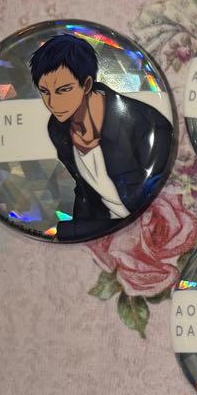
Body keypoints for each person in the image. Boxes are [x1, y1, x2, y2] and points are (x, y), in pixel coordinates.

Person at [29, 33, 172, 240]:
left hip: (148, 228)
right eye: (44, 91)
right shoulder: (57, 128)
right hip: (102, 233)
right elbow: (85, 191)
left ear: (87, 85)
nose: (52, 103)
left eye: (63, 90)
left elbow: (159, 198)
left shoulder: (148, 126)